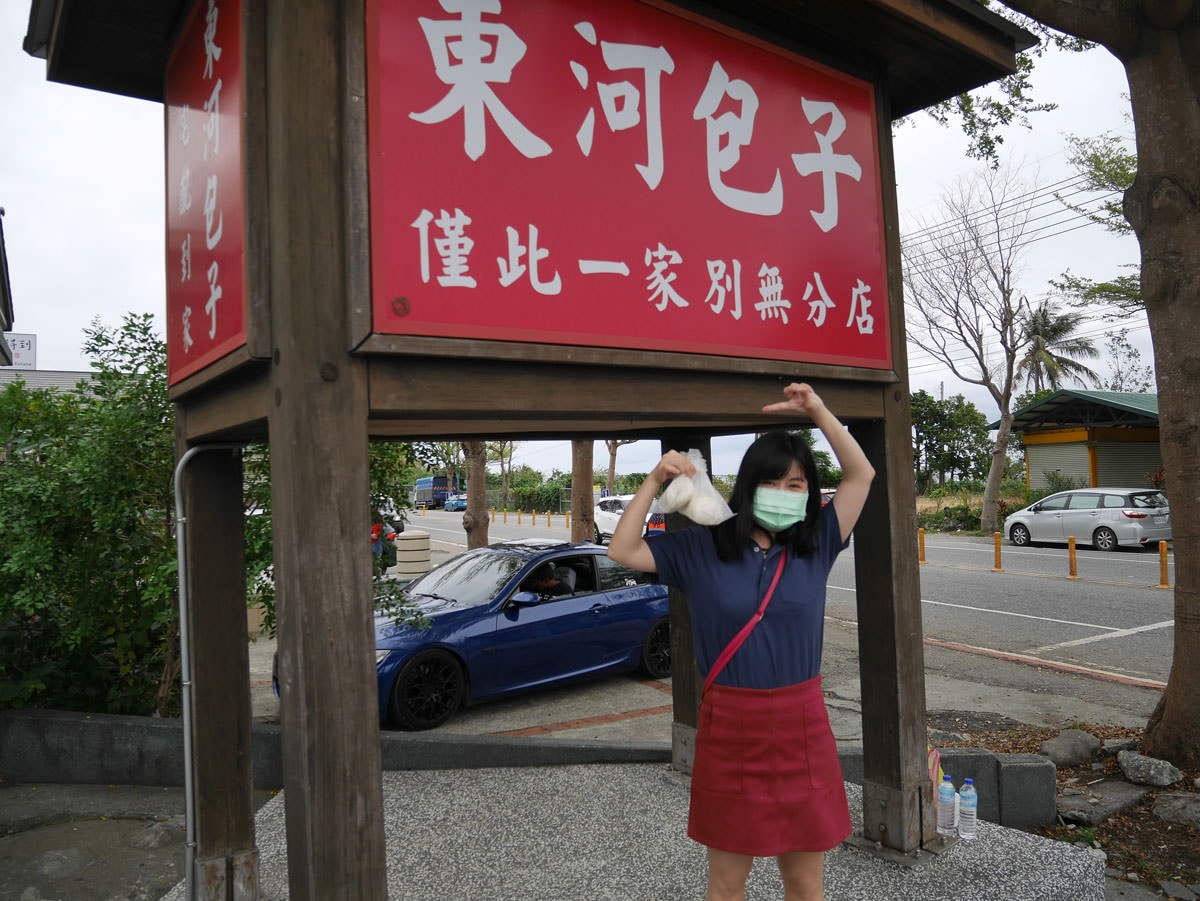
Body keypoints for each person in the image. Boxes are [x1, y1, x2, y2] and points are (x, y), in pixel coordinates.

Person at [607, 383, 874, 901]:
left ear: (809, 494)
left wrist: (818, 411)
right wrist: (655, 479)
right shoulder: (702, 547)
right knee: (727, 883)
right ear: (748, 486)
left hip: (802, 727)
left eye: (795, 484)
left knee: (805, 883)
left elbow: (861, 474)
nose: (783, 491)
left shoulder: (817, 543)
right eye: (771, 481)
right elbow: (622, 548)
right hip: (729, 727)